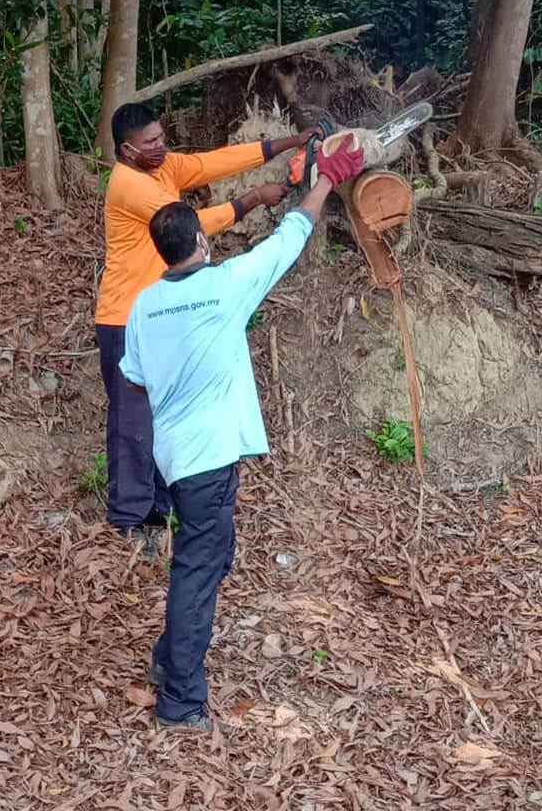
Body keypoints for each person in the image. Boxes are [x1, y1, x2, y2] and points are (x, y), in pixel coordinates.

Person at [119, 133, 364, 731]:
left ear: (160, 251)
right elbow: (289, 240)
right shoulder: (225, 287)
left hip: (173, 458)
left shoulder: (144, 306)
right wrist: (326, 179)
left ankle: (165, 661)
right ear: (200, 242)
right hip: (208, 463)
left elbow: (133, 378)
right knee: (199, 570)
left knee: (208, 558)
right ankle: (179, 704)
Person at [95, 101, 325, 548]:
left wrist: (288, 144)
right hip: (126, 317)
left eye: (162, 138)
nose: (161, 147)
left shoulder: (160, 167)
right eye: (151, 143)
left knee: (161, 413)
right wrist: (251, 200)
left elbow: (210, 163)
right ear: (127, 150)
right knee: (131, 416)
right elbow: (190, 224)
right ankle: (131, 517)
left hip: (163, 308)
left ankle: (160, 508)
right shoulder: (129, 184)